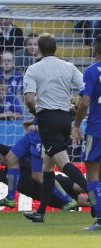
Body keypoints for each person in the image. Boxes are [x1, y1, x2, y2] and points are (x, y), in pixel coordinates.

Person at [23, 33, 89, 222]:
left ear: (39, 49)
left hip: (48, 119)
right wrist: (75, 106)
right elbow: (85, 88)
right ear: (56, 48)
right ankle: (41, 212)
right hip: (65, 118)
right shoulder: (68, 67)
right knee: (48, 167)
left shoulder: (34, 69)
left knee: (64, 163)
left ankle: (96, 198)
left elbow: (29, 99)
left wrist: (36, 112)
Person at [0, 141, 90, 210]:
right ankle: (97, 204)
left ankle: (97, 195)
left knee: (80, 187)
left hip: (53, 183)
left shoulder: (20, 159)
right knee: (81, 201)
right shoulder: (3, 174)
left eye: (0, 155)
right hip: (44, 196)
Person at [72, 34, 101, 230]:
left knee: (92, 176)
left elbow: (84, 103)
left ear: (96, 47)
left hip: (96, 128)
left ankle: (99, 220)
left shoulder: (91, 71)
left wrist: (76, 124)